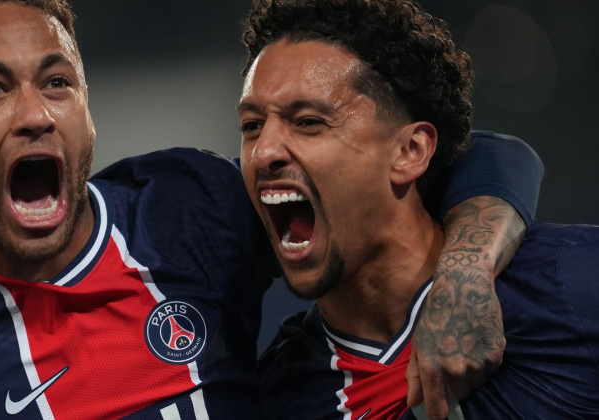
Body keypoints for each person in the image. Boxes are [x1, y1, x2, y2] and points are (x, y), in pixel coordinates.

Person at [0, 0, 542, 418]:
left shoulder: (185, 210)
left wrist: (464, 273)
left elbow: (473, 155)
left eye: (57, 83)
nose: (37, 115)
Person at [238, 0, 599, 419]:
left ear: (410, 151)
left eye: (308, 122)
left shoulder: (570, 286)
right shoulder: (280, 398)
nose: (263, 152)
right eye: (251, 126)